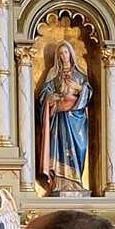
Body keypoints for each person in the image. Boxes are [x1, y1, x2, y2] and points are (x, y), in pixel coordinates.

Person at [38, 41, 92, 195]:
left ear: (71, 54)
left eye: (66, 52)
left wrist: (79, 88)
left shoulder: (80, 75)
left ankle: (76, 182)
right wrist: (51, 98)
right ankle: (60, 183)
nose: (63, 56)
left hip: (76, 120)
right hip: (60, 119)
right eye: (60, 53)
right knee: (60, 148)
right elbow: (44, 95)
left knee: (79, 148)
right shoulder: (54, 75)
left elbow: (88, 93)